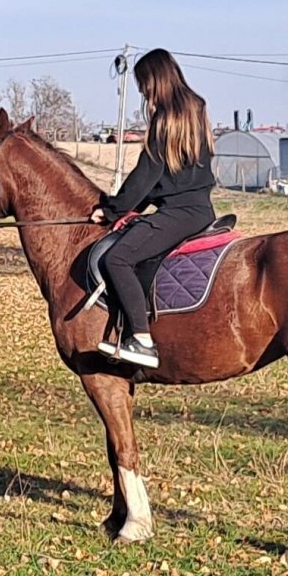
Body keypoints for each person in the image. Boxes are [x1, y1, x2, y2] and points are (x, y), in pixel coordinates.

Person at [91, 49, 216, 368]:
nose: (141, 91)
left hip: (178, 214)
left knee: (117, 259)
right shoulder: (196, 110)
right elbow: (169, 178)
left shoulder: (165, 120)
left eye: (143, 84)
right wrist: (136, 207)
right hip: (199, 209)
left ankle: (142, 340)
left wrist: (112, 210)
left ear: (154, 81)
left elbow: (146, 175)